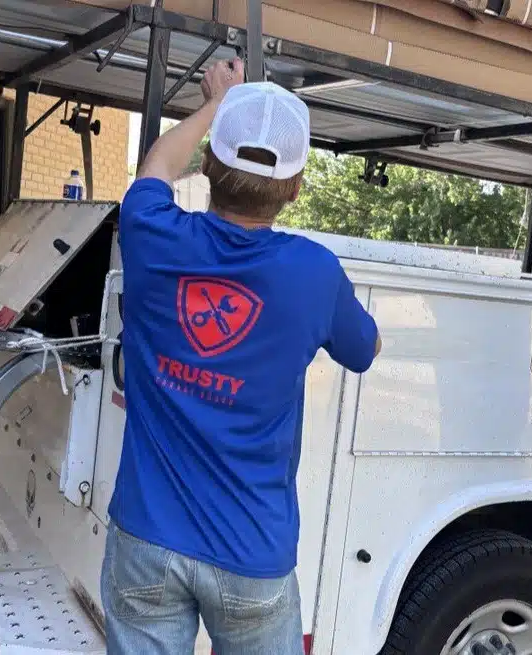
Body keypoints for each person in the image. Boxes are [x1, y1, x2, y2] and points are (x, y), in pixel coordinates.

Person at [101, 58, 381, 654]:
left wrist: (213, 104)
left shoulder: (152, 232)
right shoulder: (313, 274)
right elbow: (365, 351)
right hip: (251, 551)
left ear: (207, 165)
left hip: (146, 538)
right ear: (296, 188)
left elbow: (157, 166)